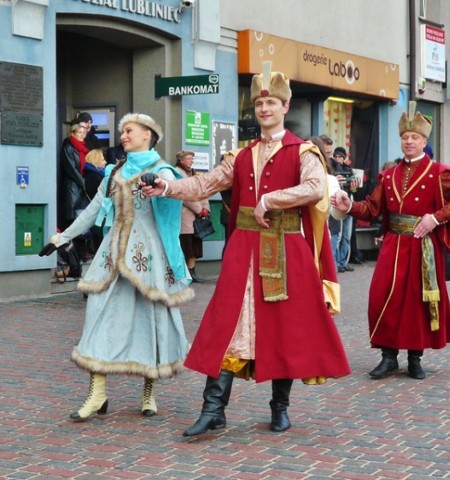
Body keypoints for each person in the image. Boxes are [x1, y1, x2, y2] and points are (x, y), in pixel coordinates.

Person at [142, 64, 350, 436]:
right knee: (227, 324)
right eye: (259, 103)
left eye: (271, 102)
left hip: (288, 251)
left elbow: (316, 188)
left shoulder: (302, 151)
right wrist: (167, 186)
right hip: (243, 251)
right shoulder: (240, 155)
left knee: (284, 328)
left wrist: (271, 199)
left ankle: (279, 407)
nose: (264, 109)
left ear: (285, 107)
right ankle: (213, 408)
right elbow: (203, 185)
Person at [39, 113, 191, 421]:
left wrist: (163, 185)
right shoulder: (114, 171)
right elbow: (94, 208)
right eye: (122, 131)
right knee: (98, 316)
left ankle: (149, 391)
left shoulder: (162, 171)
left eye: (129, 131)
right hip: (110, 256)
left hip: (147, 258)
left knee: (151, 319)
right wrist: (61, 238)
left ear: (148, 134)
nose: (123, 136)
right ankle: (98, 394)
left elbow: (177, 192)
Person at [331, 101, 450, 380]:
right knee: (382, 296)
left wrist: (436, 217)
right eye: (405, 137)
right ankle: (388, 356)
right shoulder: (388, 175)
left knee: (416, 302)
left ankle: (415, 358)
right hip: (393, 244)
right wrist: (348, 205)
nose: (409, 141)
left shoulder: (439, 172)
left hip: (423, 246)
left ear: (424, 141)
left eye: (415, 137)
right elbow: (371, 208)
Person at [174, 150, 210, 283]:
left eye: (192, 158)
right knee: (186, 245)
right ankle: (185, 274)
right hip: (185, 215)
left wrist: (206, 208)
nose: (192, 161)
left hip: (197, 217)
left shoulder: (194, 174)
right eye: (189, 158)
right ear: (181, 160)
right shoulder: (177, 173)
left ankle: (192, 271)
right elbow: (184, 195)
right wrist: (199, 209)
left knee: (194, 246)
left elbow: (202, 191)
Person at [331, 146, 360, 272]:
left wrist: (354, 187)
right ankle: (336, 263)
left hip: (349, 203)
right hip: (337, 204)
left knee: (346, 236)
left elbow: (354, 189)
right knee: (338, 235)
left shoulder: (348, 170)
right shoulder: (331, 170)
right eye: (336, 156)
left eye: (340, 157)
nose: (338, 159)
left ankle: (343, 262)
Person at [59, 121, 90, 230]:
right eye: (79, 132)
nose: (83, 134)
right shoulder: (69, 148)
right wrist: (84, 182)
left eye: (84, 132)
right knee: (72, 220)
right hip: (72, 187)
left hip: (80, 187)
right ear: (72, 134)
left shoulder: (83, 149)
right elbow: (71, 169)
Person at [82, 148, 107, 257]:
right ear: (96, 161)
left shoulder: (92, 175)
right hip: (98, 215)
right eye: (102, 160)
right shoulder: (95, 177)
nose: (105, 162)